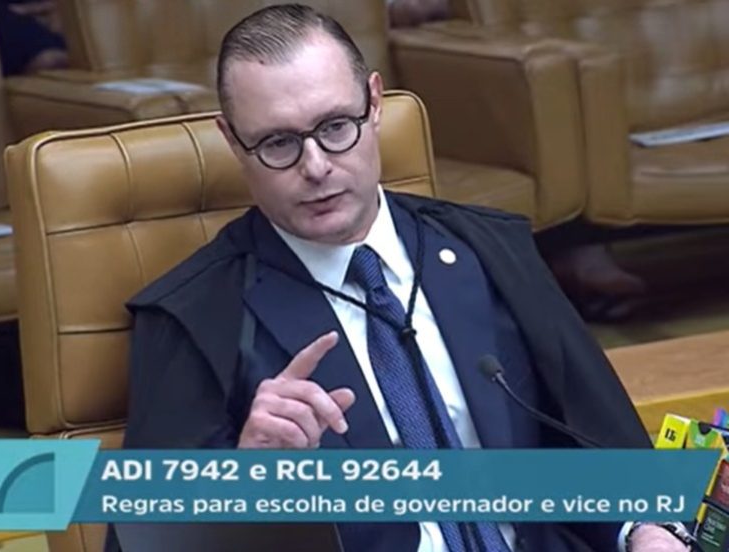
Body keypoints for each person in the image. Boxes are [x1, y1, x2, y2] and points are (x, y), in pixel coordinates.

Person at [111, 5, 690, 551]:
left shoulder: (488, 250)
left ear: (374, 102)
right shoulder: (195, 317)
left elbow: (593, 441)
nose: (316, 166)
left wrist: (642, 529)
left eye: (336, 126)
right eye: (278, 143)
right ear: (233, 141)